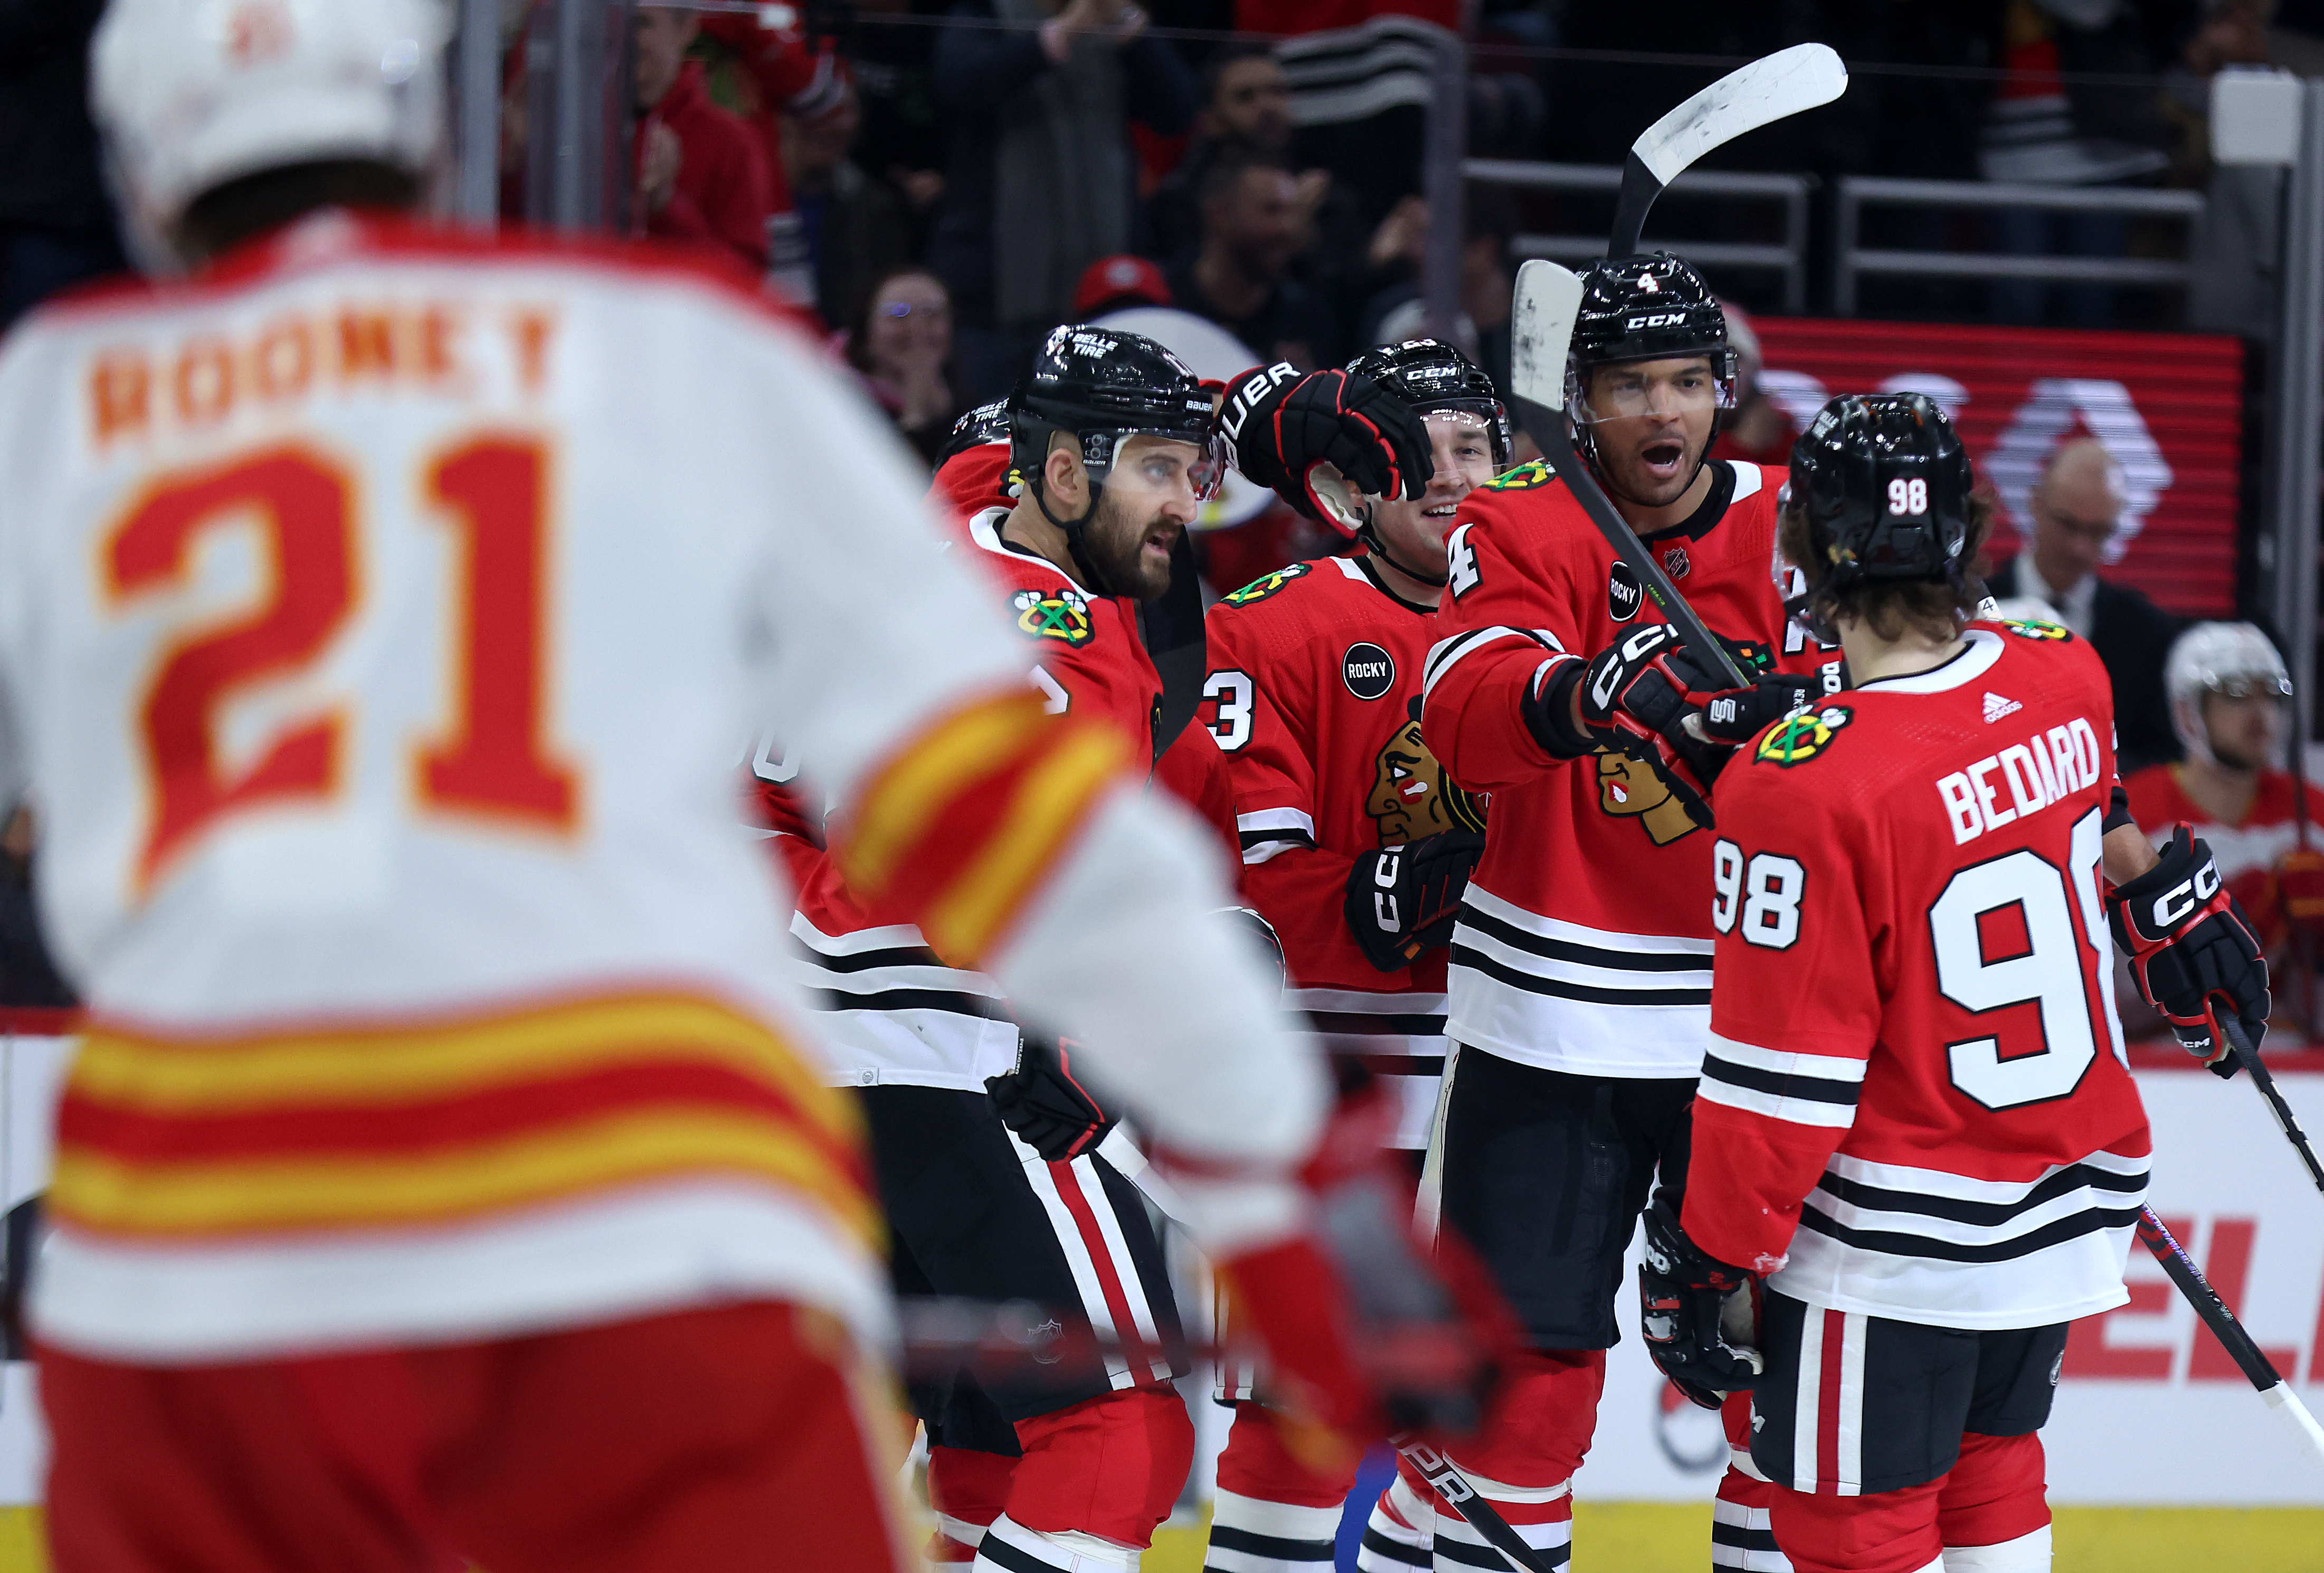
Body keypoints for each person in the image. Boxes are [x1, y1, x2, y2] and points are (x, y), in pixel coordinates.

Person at [5, 7, 1490, 1570]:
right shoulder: (678, 344)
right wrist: (1282, 1173)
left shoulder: (51, 401)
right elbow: (1008, 818)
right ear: (429, 132)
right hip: (634, 1194)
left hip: (193, 1242)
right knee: (1094, 1445)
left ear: (139, 170)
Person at [1228, 253, 1834, 1573]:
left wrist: (1784, 711)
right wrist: (1589, 689)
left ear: (1724, 389)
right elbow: (1468, 712)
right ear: (1582, 398)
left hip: (1758, 1033)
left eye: (1685, 380)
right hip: (1550, 1025)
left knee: (1777, 1389)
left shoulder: (1798, 521)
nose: (1662, 413)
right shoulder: (1519, 517)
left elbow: (1896, 708)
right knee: (1526, 1401)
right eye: (1629, 385)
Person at [1663, 393, 2269, 1573]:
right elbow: (2087, 816)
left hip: (1889, 1240)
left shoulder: (1797, 784)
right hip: (2056, 1209)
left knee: (1853, 1536)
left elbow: (1779, 1080)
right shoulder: (2064, 670)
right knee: (1992, 1488)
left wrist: (1709, 1253)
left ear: (1801, 548)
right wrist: (2164, 904)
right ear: (1965, 531)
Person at [753, 326, 1261, 1573]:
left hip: (849, 1066)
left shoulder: (924, 558)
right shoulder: (1038, 646)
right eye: (1156, 469)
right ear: (1067, 473)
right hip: (975, 1065)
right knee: (1119, 1430)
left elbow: (761, 798)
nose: (1184, 507)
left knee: (986, 1424)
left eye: (1194, 473)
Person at [1196, 341, 1506, 1573]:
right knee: (1299, 1412)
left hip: (1512, 1073)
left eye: (1475, 445)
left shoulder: (1562, 627)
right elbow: (1256, 889)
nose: (1450, 475)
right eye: (1417, 449)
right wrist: (1406, 879)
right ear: (1351, 488)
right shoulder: (1277, 626)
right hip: (1343, 1072)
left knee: (1499, 1413)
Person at [927, 0, 1200, 404]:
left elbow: (1178, 112)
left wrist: (1130, 32)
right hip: (997, 282)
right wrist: (1062, 33)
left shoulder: (1115, 25)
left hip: (1103, 261)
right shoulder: (985, 13)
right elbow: (959, 82)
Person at [2124, 622, 2321, 1018]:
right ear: (2187, 711)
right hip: (2169, 1064)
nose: (2260, 713)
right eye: (2235, 695)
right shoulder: (2131, 817)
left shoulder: (2312, 815)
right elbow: (2106, 993)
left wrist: (2315, 948)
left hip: (2292, 1061)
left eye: (2271, 694)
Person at [1982, 437, 2179, 772]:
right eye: (2068, 525)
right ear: (2035, 504)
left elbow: (2161, 759)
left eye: (2097, 532)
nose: (2079, 548)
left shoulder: (2147, 632)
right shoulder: (1971, 611)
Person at [632, 2, 776, 271]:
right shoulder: (566, 126)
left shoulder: (733, 142)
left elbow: (744, 280)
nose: (621, 36)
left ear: (687, 28)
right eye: (606, 20)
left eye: (641, 23)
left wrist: (667, 206)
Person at [1165, 152, 1341, 371]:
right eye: (1272, 211)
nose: (1288, 228)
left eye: (1292, 212)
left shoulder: (1307, 316)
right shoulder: (1163, 301)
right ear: (1219, 214)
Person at [849, 266, 960, 466]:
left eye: (931, 314)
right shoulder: (847, 403)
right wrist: (916, 417)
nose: (917, 329)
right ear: (866, 333)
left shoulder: (975, 397)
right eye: (898, 313)